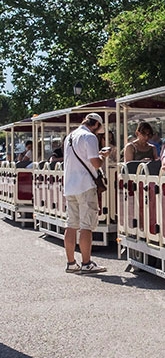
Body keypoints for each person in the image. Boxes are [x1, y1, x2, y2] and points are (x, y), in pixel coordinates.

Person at [63, 113, 111, 274]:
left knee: (71, 225)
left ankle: (71, 263)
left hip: (70, 186)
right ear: (96, 125)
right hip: (85, 186)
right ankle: (86, 263)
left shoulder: (70, 136)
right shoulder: (89, 137)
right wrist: (103, 155)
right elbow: (95, 163)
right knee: (86, 226)